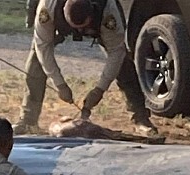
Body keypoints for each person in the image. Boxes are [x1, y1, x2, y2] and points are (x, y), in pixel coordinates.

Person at [13, 0, 158, 135]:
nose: (80, 31)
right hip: (58, 21)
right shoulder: (48, 7)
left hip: (99, 21)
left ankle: (141, 118)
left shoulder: (107, 10)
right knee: (36, 61)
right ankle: (28, 120)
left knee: (122, 62)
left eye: (83, 27)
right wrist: (60, 84)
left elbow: (116, 52)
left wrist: (99, 89)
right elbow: (42, 46)